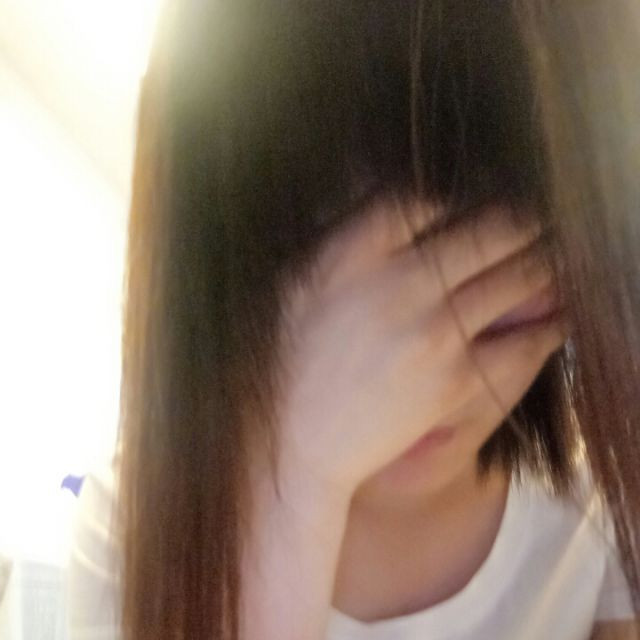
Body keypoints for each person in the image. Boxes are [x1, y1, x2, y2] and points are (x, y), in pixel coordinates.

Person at [68, 1, 640, 639]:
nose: (408, 361)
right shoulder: (135, 530)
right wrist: (298, 485)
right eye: (314, 249)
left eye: (490, 268)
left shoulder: (599, 505)